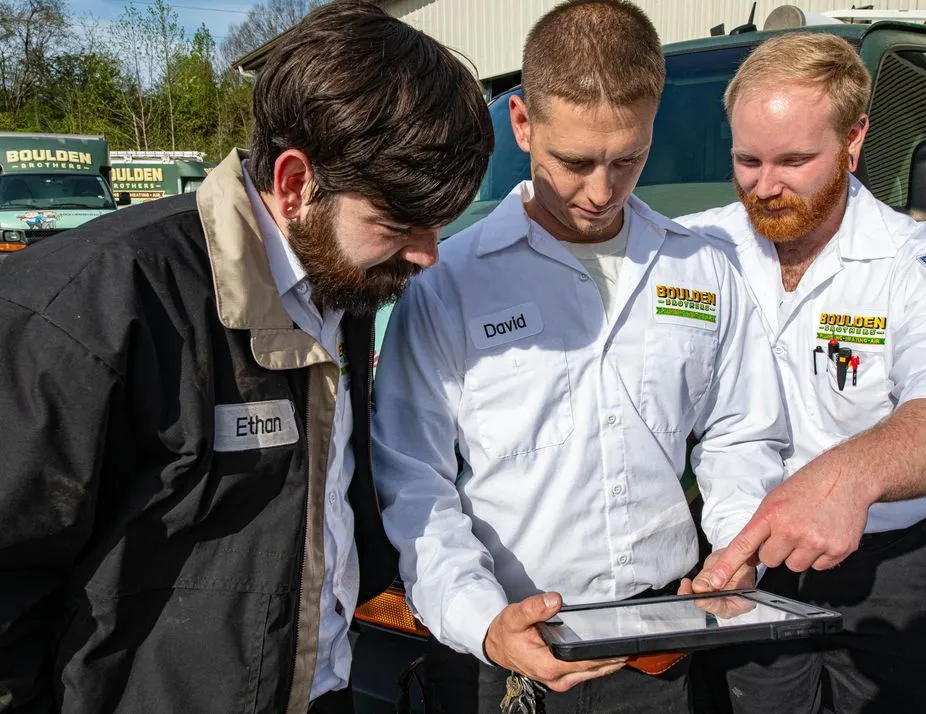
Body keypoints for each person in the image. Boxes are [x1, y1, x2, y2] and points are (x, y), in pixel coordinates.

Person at [0, 3, 493, 712]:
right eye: (397, 225)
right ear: (296, 185)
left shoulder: (338, 283)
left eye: (437, 226)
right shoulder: (97, 309)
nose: (427, 255)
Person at [371, 2, 789, 712]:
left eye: (629, 159)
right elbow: (415, 484)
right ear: (523, 123)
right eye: (575, 161)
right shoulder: (448, 280)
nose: (601, 192)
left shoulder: (699, 269)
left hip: (658, 650)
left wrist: (736, 538)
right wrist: (483, 621)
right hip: (501, 653)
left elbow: (740, 430)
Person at [678, 32, 926, 714]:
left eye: (794, 160)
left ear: (854, 141)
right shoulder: (693, 253)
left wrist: (848, 477)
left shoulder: (922, 268)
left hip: (884, 569)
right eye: (746, 160)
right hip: (735, 556)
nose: (764, 187)